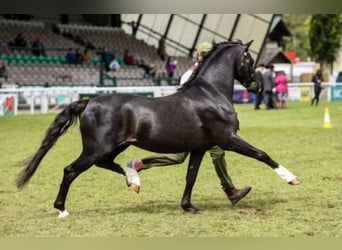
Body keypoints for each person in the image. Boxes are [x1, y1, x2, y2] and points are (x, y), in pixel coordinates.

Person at [125, 41, 252, 206]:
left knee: (217, 153)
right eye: (205, 55)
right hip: (189, 125)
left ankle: (230, 190)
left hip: (206, 126)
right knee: (179, 157)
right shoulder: (190, 75)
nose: (208, 58)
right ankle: (138, 164)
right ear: (199, 55)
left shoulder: (211, 73)